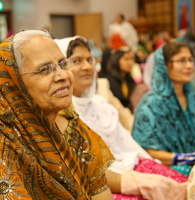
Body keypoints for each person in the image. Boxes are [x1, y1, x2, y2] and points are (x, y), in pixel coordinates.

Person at [56, 36, 188, 200]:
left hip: (131, 162)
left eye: (90, 59)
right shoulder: (60, 114)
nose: (87, 66)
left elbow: (127, 140)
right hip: (107, 180)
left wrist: (154, 165)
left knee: (184, 186)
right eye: (76, 61)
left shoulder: (100, 104)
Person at [0, 30, 115, 200]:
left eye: (63, 64)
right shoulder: (6, 145)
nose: (62, 75)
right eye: (45, 70)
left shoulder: (76, 131)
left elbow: (101, 193)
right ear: (14, 84)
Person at [132, 41, 195, 176]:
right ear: (164, 66)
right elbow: (147, 150)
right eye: (181, 61)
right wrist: (185, 159)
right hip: (168, 168)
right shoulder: (150, 104)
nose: (189, 66)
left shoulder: (194, 96)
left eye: (190, 60)